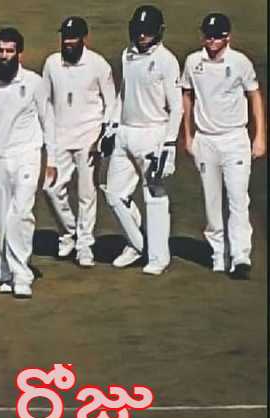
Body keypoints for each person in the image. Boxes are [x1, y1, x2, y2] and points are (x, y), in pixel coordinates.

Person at [0, 27, 56, 299]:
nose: (5, 55)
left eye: (10, 51)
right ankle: (5, 272)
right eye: (1, 51)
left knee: (21, 213)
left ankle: (21, 275)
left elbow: (48, 121)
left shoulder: (33, 82)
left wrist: (52, 160)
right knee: (3, 219)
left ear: (20, 53)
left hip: (27, 155)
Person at [181, 12, 266, 279]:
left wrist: (260, 137)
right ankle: (218, 252)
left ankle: (240, 255)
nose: (212, 41)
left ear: (228, 37)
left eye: (217, 37)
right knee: (212, 200)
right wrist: (188, 136)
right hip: (205, 139)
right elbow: (187, 96)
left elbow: (254, 96)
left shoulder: (240, 62)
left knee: (238, 197)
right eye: (208, 36)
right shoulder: (193, 62)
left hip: (234, 139)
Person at [102, 5, 182, 276]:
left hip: (153, 133)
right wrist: (111, 126)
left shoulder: (166, 60)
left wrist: (169, 144)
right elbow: (123, 95)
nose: (142, 36)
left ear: (158, 32)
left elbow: (177, 107)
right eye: (138, 31)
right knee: (114, 194)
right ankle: (137, 244)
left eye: (147, 32)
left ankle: (158, 257)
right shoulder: (127, 55)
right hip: (125, 132)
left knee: (154, 195)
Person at [41, 16, 119, 268]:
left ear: (84, 38)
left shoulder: (98, 64)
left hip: (89, 137)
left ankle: (85, 245)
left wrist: (104, 135)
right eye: (65, 37)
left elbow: (111, 103)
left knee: (87, 194)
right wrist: (48, 139)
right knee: (51, 188)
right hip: (60, 136)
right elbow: (46, 103)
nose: (68, 42)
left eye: (73, 37)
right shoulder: (52, 63)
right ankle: (68, 233)